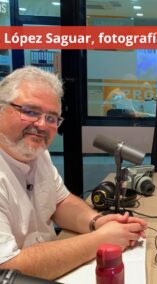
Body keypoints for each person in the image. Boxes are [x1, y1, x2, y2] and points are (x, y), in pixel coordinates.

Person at [0, 66, 147, 280]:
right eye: (30, 111)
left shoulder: (37, 153)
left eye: (51, 118)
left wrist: (96, 222)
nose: (42, 125)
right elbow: (7, 269)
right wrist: (101, 239)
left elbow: (60, 201)